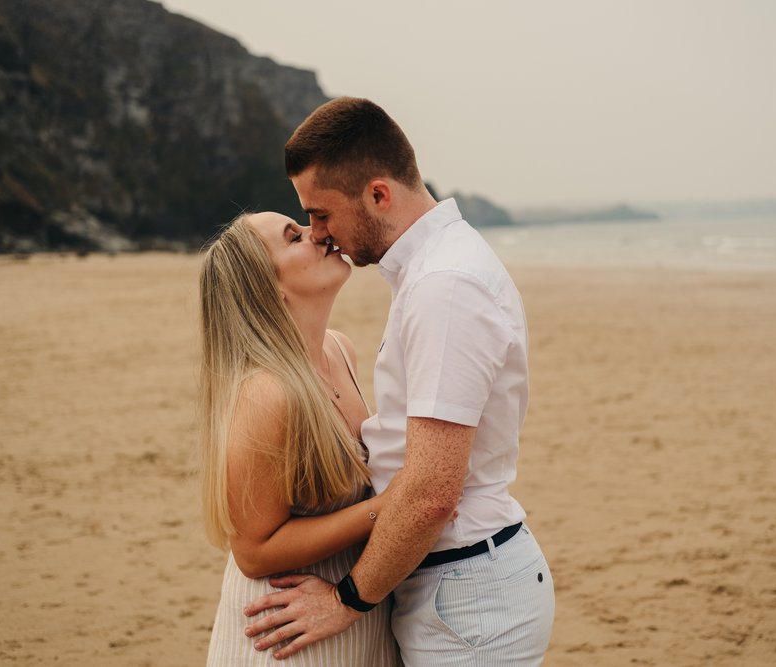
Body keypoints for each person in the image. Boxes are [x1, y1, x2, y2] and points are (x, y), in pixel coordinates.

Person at [243, 97, 555, 665]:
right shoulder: (431, 273)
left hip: (465, 597)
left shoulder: (445, 286)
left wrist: (347, 602)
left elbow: (434, 491)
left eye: (321, 213)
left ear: (378, 195)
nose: (320, 234)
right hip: (453, 587)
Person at [198, 212, 402, 666]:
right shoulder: (267, 393)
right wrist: (386, 509)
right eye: (296, 237)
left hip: (347, 609)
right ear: (270, 288)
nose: (320, 232)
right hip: (287, 630)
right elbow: (253, 550)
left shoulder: (339, 349)